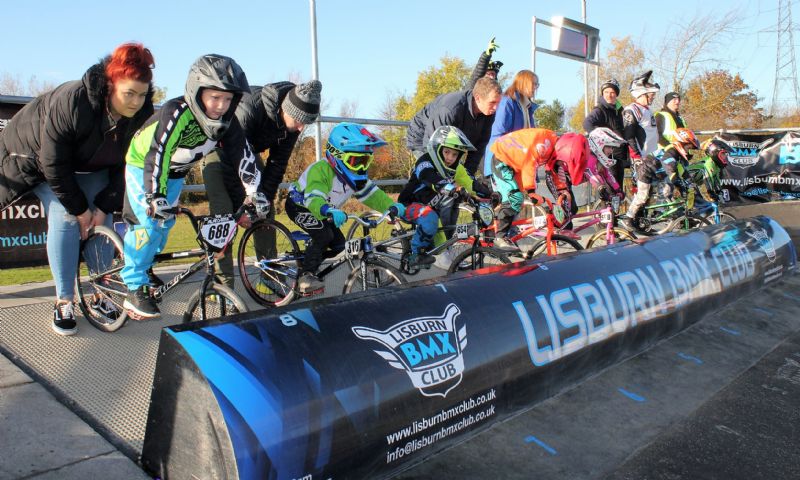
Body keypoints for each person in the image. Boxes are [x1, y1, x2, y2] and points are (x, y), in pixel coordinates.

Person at [0, 43, 155, 336]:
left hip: (95, 166)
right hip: (44, 162)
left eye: (142, 94)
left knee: (103, 219)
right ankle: (64, 300)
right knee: (66, 215)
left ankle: (100, 292)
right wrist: (81, 210)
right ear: (110, 86)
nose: (136, 102)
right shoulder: (73, 101)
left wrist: (102, 206)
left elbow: (136, 163)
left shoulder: (142, 112)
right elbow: (53, 163)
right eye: (129, 93)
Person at [120, 54, 261, 319]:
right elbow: (158, 154)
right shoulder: (177, 112)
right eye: (214, 97)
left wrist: (254, 194)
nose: (221, 106)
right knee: (149, 224)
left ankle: (145, 267)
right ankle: (134, 286)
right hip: (145, 168)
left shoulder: (227, 123)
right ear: (197, 92)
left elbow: (244, 155)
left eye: (228, 99)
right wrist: (154, 196)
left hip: (175, 173)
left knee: (164, 228)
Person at [205, 79, 322, 291]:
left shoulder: (293, 123)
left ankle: (269, 278)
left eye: (307, 123)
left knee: (264, 211)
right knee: (223, 219)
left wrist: (262, 200)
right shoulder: (249, 108)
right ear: (286, 109)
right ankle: (222, 288)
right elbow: (235, 157)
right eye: (299, 120)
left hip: (248, 155)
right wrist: (241, 207)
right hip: (220, 153)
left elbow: (277, 164)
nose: (301, 127)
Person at [285, 122, 405, 293]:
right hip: (300, 206)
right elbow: (314, 198)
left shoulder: (355, 176)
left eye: (366, 161)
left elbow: (374, 196)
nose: (362, 168)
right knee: (323, 235)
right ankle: (306, 275)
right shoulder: (321, 170)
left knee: (339, 246)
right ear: (337, 156)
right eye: (356, 161)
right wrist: (327, 210)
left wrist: (392, 206)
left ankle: (311, 255)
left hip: (326, 210)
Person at [397, 126, 493, 269]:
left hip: (433, 205)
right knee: (431, 220)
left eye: (455, 155)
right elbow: (430, 177)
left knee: (452, 207)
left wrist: (490, 194)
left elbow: (470, 183)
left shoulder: (456, 167)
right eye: (447, 152)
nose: (450, 158)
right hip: (410, 203)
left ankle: (441, 247)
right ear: (437, 149)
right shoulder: (425, 161)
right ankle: (416, 253)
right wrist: (450, 188)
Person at [405, 77, 502, 176]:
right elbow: (431, 145)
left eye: (498, 103)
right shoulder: (451, 109)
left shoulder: (489, 113)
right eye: (492, 102)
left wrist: (468, 176)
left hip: (450, 141)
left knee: (455, 176)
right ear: (477, 98)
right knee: (431, 173)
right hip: (423, 137)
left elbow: (479, 147)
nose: (496, 107)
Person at [488, 127, 560, 246]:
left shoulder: (551, 144)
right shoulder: (544, 144)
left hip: (515, 163)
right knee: (515, 198)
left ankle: (506, 231)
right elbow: (530, 162)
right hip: (502, 160)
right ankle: (500, 237)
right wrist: (531, 191)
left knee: (518, 201)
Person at [620, 127, 699, 232]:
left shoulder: (678, 155)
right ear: (681, 143)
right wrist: (675, 179)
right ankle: (628, 218)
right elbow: (669, 166)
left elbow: (682, 171)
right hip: (645, 171)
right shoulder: (671, 151)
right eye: (688, 147)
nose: (688, 151)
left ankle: (658, 213)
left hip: (657, 174)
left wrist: (689, 182)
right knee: (643, 196)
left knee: (667, 192)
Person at [483, 70, 540, 178]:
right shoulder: (507, 101)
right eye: (534, 83)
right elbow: (498, 134)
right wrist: (499, 165)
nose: (536, 87)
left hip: (521, 165)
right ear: (523, 82)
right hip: (502, 164)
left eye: (537, 84)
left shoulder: (528, 107)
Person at [583, 78, 627, 187]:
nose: (609, 95)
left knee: (618, 191)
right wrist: (601, 141)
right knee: (611, 192)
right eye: (606, 92)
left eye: (612, 92)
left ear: (616, 94)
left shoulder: (619, 111)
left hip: (619, 155)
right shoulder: (600, 109)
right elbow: (587, 123)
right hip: (607, 157)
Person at [623, 70, 661, 166]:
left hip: (654, 156)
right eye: (651, 95)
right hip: (642, 159)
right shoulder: (632, 110)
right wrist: (637, 157)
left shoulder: (648, 110)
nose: (653, 97)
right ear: (641, 94)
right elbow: (629, 136)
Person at [585, 127, 626, 201]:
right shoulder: (590, 157)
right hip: (562, 182)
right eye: (609, 147)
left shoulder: (598, 160)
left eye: (612, 148)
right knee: (572, 208)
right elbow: (590, 174)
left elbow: (608, 175)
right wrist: (601, 188)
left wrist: (618, 190)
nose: (611, 151)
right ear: (598, 145)